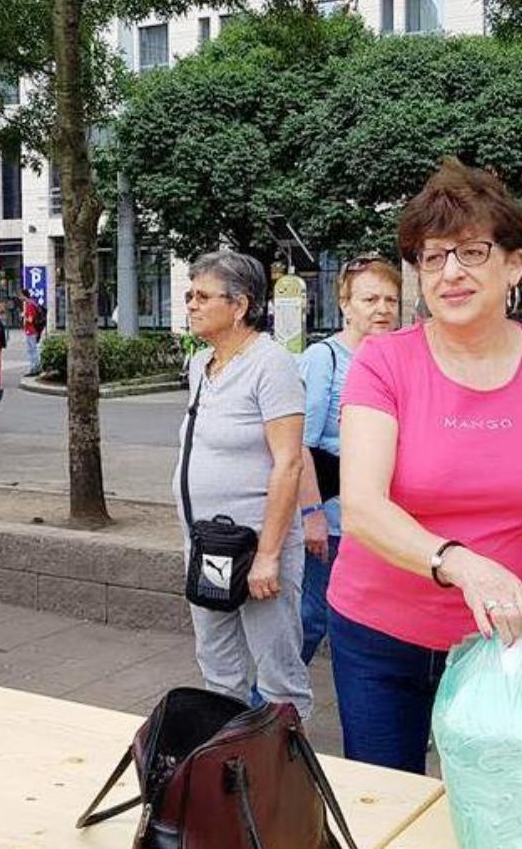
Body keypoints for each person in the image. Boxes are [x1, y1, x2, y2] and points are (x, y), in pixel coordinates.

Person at [334, 158, 522, 774]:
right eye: (431, 257)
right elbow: (364, 508)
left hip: (505, 643)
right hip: (380, 634)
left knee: (496, 811)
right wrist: (460, 564)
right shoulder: (383, 363)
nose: (449, 272)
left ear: (514, 265)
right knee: (386, 807)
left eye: (471, 252)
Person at [174, 250, 314, 720]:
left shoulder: (270, 364)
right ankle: (227, 768)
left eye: (203, 296)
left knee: (278, 677)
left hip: (256, 547)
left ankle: (284, 777)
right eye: (190, 294)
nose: (191, 304)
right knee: (218, 667)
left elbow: (290, 462)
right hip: (208, 545)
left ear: (239, 306)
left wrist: (270, 555)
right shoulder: (201, 365)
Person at [296, 256, 402, 664]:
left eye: (390, 300)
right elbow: (298, 443)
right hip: (334, 517)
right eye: (370, 299)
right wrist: (311, 513)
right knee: (313, 618)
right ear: (345, 304)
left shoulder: (397, 357)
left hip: (382, 520)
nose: (382, 309)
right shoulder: (326, 359)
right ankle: (265, 709)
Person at [23, 293, 44, 376]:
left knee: (32, 350)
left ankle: (34, 368)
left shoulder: (29, 306)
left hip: (31, 331)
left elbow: (30, 320)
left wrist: (24, 316)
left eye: (21, 296)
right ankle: (35, 367)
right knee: (33, 350)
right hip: (31, 331)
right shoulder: (31, 305)